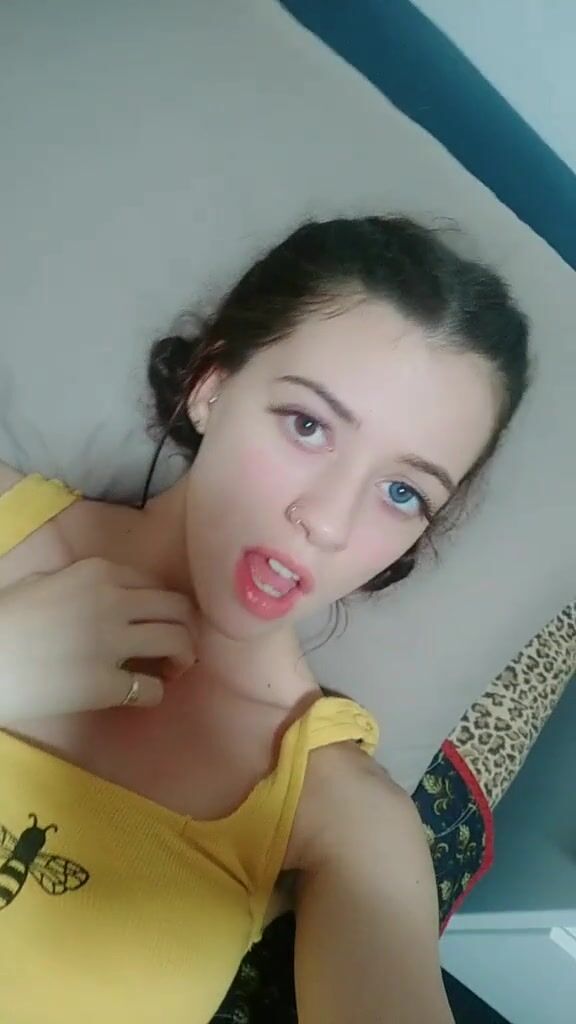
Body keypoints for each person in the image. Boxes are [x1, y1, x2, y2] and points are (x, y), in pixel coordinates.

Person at [0, 216, 530, 1023]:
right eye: (308, 425)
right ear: (211, 386)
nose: (327, 522)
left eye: (402, 493)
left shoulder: (347, 814)